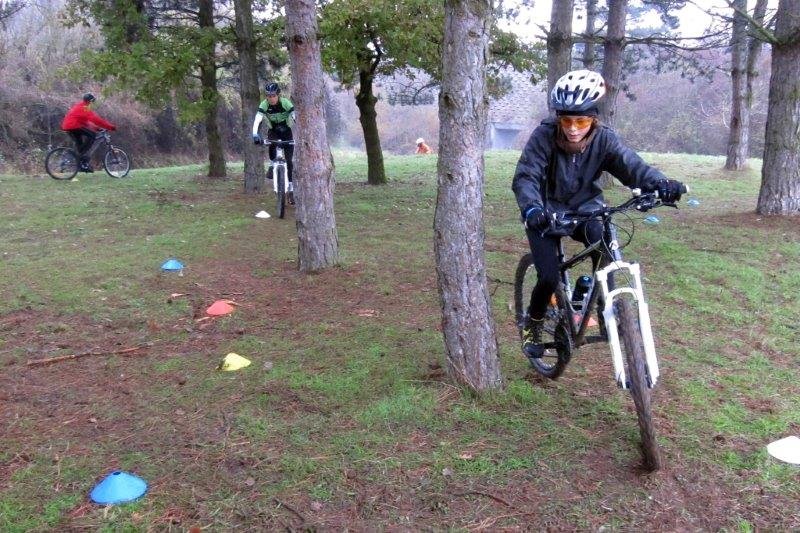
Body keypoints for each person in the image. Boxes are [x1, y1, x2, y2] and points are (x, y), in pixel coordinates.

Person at [512, 69, 685, 359]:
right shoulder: (543, 136)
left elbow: (631, 166)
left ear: (594, 118)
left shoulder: (604, 139)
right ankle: (534, 322)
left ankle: (604, 307)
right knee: (549, 277)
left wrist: (660, 184)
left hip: (587, 208)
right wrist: (532, 208)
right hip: (545, 213)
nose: (573, 128)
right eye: (566, 120)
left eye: (581, 120)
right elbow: (526, 176)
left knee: (604, 245)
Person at [252, 82, 296, 204]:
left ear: (278, 95)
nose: (271, 98)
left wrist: (303, 133)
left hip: (286, 131)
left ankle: (291, 190)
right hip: (274, 131)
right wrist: (255, 135)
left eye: (273, 96)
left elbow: (294, 116)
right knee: (271, 143)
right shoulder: (264, 104)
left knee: (289, 161)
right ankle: (272, 164)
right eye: (268, 96)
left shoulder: (285, 103)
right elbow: (258, 119)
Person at [60, 93, 116, 172]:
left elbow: (85, 122)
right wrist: (110, 127)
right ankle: (82, 157)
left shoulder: (80, 106)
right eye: (93, 102)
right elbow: (95, 119)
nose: (93, 104)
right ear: (90, 101)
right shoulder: (85, 107)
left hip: (67, 126)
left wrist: (96, 128)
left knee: (80, 145)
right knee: (92, 135)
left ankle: (81, 164)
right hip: (73, 126)